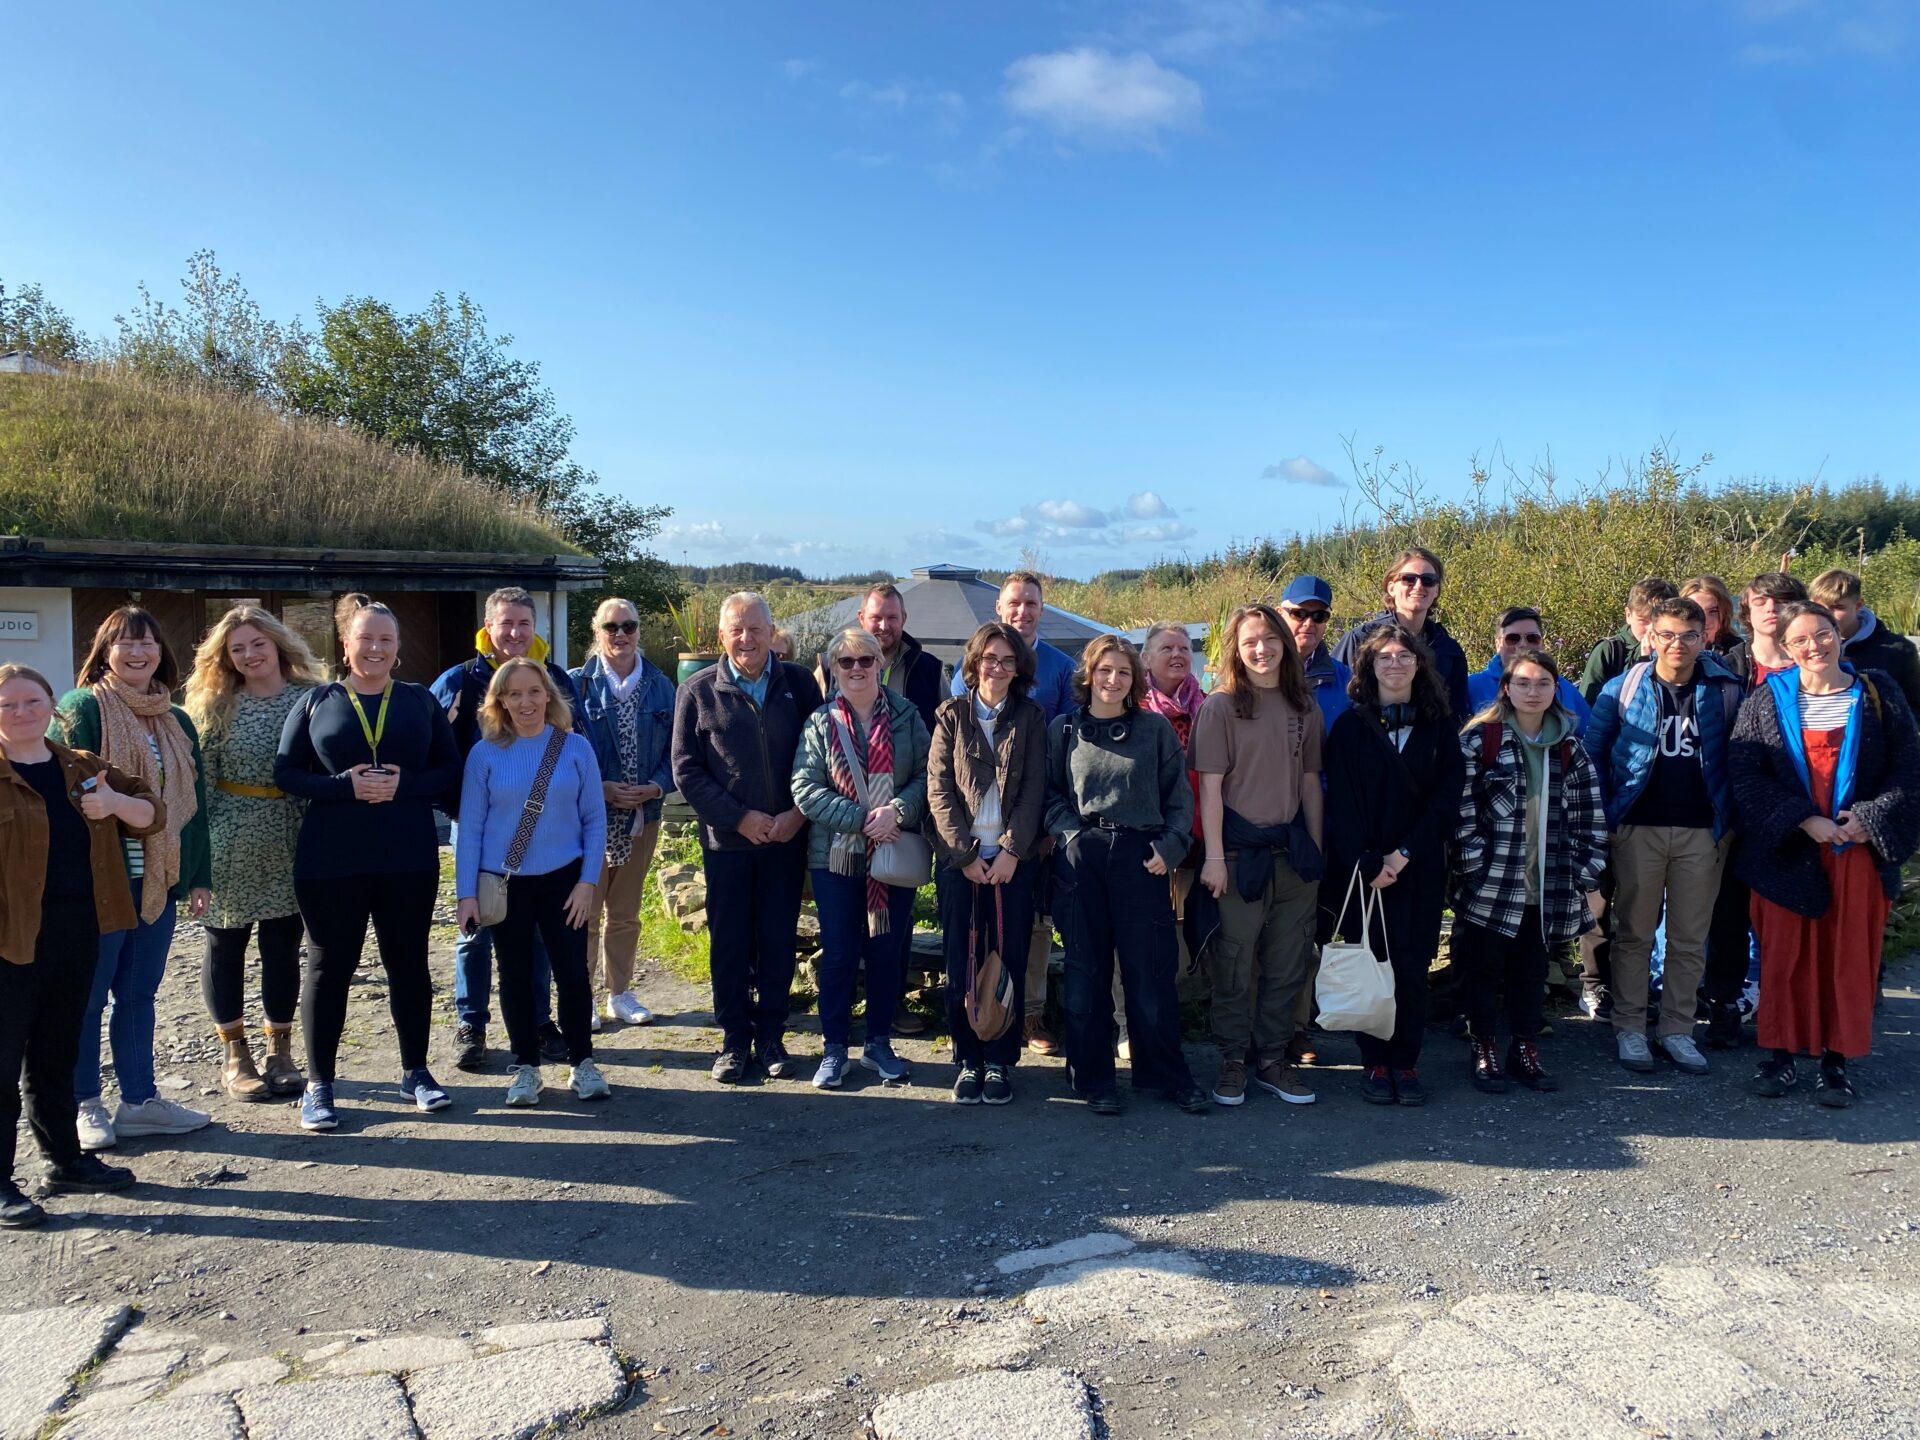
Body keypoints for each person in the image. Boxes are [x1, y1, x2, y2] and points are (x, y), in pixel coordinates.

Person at [275, 595, 462, 1131]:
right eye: (365, 638)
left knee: (408, 965)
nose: (375, 647)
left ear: (398, 647)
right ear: (346, 644)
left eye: (385, 639)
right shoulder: (317, 701)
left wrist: (405, 785)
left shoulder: (419, 701)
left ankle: (416, 1073)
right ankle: (320, 1085)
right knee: (329, 968)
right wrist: (342, 786)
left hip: (406, 855)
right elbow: (286, 772)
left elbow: (448, 771)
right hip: (330, 858)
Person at [1732, 601, 1920, 1107]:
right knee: (1783, 958)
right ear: (1787, 649)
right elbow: (1746, 774)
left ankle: (1837, 1064)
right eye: (1801, 641)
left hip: (1857, 851)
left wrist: (1870, 820)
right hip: (1788, 849)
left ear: (1839, 634)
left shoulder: (1879, 692)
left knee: (1848, 957)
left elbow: (1909, 768)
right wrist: (1802, 820)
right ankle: (1779, 1056)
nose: (1814, 647)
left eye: (1822, 635)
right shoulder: (1765, 700)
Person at [0, 664, 161, 1227]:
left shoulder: (82, 768)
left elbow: (152, 812)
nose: (21, 712)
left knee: (55, 1052)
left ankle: (64, 1160)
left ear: (52, 706)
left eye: (32, 701)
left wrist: (114, 805)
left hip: (77, 933)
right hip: (7, 938)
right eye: (8, 704)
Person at [54, 607, 214, 1152]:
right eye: (125, 643)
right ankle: (83, 1103)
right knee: (88, 997)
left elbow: (192, 804)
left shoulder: (176, 718)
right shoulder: (82, 709)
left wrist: (198, 874)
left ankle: (140, 1102)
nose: (138, 651)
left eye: (147, 641)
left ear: (160, 652)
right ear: (104, 652)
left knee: (139, 994)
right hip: (99, 883)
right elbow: (64, 793)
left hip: (160, 880)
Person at [1047, 636, 1208, 1116]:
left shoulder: (1154, 729)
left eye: (1122, 672)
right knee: (1087, 972)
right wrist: (1069, 837)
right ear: (1088, 675)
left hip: (1143, 857)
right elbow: (1050, 794)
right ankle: (1094, 1077)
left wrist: (1171, 848)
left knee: (1152, 973)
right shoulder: (1064, 729)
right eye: (1103, 670)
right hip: (1085, 855)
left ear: (1134, 679)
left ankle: (1165, 1074)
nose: (1112, 680)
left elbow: (1180, 798)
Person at [1585, 598, 1743, 1077]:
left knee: (1689, 937)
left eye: (1689, 635)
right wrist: (1608, 819)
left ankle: (1677, 1031)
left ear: (1705, 638)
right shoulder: (1624, 687)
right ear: (1649, 636)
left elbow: (1743, 757)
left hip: (1704, 831)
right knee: (1633, 933)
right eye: (1668, 634)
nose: (1678, 644)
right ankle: (1630, 1028)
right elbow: (1593, 755)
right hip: (1638, 828)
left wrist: (1731, 820)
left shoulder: (1725, 689)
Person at [671, 591, 824, 1083]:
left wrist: (797, 815)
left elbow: (820, 757)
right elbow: (686, 771)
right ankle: (734, 1040)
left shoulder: (798, 684)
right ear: (721, 636)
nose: (746, 638)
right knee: (731, 944)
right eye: (736, 629)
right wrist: (738, 818)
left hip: (785, 837)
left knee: (778, 939)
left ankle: (773, 1036)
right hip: (728, 843)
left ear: (771, 632)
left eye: (756, 628)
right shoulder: (697, 691)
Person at [432, 586, 583, 1073]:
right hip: (477, 828)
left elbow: (577, 743)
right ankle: (471, 1024)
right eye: (505, 624)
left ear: (533, 627)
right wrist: (457, 809)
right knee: (476, 929)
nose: (514, 633)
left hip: (544, 837)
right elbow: (435, 754)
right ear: (488, 627)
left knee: (535, 936)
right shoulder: (458, 681)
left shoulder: (555, 679)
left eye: (523, 623)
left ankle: (538, 1023)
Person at [183, 605, 326, 1102]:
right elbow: (200, 782)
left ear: (278, 644)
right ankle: (234, 1053)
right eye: (237, 648)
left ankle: (279, 1049)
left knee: (283, 946)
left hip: (294, 833)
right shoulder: (214, 705)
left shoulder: (312, 698)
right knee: (226, 945)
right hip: (231, 837)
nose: (248, 655)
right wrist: (201, 850)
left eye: (257, 644)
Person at [456, 659, 610, 1106]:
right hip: (506, 883)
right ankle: (526, 1067)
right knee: (516, 977)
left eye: (534, 692)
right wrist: (467, 894)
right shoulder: (483, 754)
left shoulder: (575, 747)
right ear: (500, 701)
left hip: (565, 881)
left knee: (573, 975)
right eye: (514, 694)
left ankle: (582, 1062)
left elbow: (594, 821)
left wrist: (587, 883)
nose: (526, 702)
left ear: (549, 695)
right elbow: (472, 830)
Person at [1454, 651, 1607, 1094]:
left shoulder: (1569, 747)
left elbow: (1590, 814)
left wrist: (1585, 867)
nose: (1533, 691)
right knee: (1482, 969)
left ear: (1555, 690)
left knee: (1531, 970)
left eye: (1543, 683)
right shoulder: (1480, 741)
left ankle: (1524, 1047)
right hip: (1492, 879)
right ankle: (1482, 1046)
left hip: (1549, 879)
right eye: (1523, 683)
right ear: (1506, 688)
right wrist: (1473, 863)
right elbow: (1463, 810)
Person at [1323, 625, 1464, 1106]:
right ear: (1369, 666)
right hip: (1364, 870)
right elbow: (1340, 803)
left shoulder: (1440, 726)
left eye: (1406, 656)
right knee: (1372, 964)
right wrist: (1365, 860)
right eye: (1385, 657)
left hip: (1418, 866)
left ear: (1420, 665)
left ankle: (1406, 1062)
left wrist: (1403, 855)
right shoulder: (1348, 728)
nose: (1396, 664)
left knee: (1410, 968)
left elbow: (1447, 800)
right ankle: (1375, 1063)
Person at [1192, 604, 1325, 1107]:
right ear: (1236, 648)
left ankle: (1272, 1057)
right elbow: (1210, 789)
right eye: (1250, 641)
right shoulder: (1221, 707)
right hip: (1238, 855)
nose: (1262, 649)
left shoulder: (1304, 705)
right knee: (1234, 959)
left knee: (1287, 962)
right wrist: (1215, 857)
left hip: (1293, 854)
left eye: (1270, 638)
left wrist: (1314, 851)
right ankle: (1231, 1058)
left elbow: (1311, 782)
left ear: (1284, 644)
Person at [792, 627, 931, 1089]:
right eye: (846, 662)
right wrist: (863, 819)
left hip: (891, 853)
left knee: (887, 951)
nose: (856, 669)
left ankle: (877, 1043)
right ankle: (834, 1047)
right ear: (833, 669)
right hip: (837, 858)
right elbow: (805, 787)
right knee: (840, 953)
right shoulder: (819, 722)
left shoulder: (908, 716)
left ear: (880, 665)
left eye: (865, 661)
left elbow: (928, 776)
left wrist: (898, 811)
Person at [950, 570, 1077, 1056]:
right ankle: (975, 1024)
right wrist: (961, 847)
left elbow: (1063, 749)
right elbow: (949, 766)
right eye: (1014, 604)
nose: (1022, 611)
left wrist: (1038, 831)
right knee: (972, 937)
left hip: (1036, 823)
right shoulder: (964, 676)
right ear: (999, 610)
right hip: (972, 840)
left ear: (1041, 609)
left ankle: (1027, 1016)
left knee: (1031, 929)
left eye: (1031, 603)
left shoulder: (1062, 667)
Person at [928, 623, 1049, 1105]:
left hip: (1012, 864)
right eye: (989, 659)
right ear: (973, 663)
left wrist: (1012, 851)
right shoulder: (950, 716)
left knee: (1009, 959)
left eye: (1007, 661)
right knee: (962, 959)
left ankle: (999, 1060)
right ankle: (967, 1058)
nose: (997, 668)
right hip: (962, 863)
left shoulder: (1031, 718)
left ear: (1018, 668)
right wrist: (965, 855)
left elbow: (1035, 790)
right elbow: (938, 791)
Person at [571, 597, 674, 1028]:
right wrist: (599, 789)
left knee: (626, 912)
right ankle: (583, 996)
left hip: (641, 818)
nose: (620, 635)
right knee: (586, 912)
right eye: (611, 627)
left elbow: (679, 749)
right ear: (597, 632)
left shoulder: (661, 685)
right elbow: (559, 752)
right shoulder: (575, 686)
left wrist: (656, 786)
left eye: (628, 626)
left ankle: (620, 993)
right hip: (588, 821)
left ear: (638, 631)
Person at [1139, 621, 1207, 1052]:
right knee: (1141, 934)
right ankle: (1137, 1022)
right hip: (1145, 840)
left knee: (1188, 931)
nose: (1178, 655)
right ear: (1146, 658)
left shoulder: (1210, 705)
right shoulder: (1134, 705)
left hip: (1198, 834)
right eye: (1167, 648)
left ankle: (1178, 1017)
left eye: (1184, 647)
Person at [1331, 548, 1471, 723]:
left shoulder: (1449, 650)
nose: (1418, 586)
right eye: (1409, 579)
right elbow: (1333, 702)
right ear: (1391, 587)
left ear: (1436, 590)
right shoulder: (1360, 640)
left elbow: (1457, 715)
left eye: (1428, 580)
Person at [826, 583, 943, 735]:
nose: (884, 626)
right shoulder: (830, 665)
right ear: (861, 618)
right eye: (876, 617)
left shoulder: (930, 668)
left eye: (892, 618)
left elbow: (949, 729)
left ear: (904, 618)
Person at [1810, 568, 1920, 716]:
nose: (1827, 614)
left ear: (1858, 605)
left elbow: (1914, 708)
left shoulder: (1899, 650)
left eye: (1837, 607)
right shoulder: (1801, 648)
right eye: (1819, 607)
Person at [1466, 607, 1592, 734]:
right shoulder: (1471, 687)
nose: (1523, 644)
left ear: (1541, 643)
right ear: (1498, 644)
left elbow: (1588, 739)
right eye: (1513, 638)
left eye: (1532, 638)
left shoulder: (1565, 689)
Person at [1578, 577, 1677, 704]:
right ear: (1628, 615)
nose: (1651, 629)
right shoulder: (1610, 650)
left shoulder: (1681, 648)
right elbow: (1586, 704)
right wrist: (1645, 661)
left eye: (1658, 621)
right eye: (1643, 621)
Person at [1278, 577, 1352, 734]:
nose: (1309, 623)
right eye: (1299, 614)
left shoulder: (1345, 679)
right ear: (1279, 615)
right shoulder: (1257, 673)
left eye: (1319, 616)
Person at [1739, 572, 1808, 686]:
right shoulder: (1728, 668)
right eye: (1760, 602)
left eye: (1781, 601)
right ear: (1747, 614)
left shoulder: (1821, 664)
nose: (1771, 608)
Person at [1681, 575, 1751, 684]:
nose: (1705, 620)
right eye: (1696, 611)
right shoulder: (1671, 648)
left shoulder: (1738, 655)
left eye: (1712, 612)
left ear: (1724, 614)